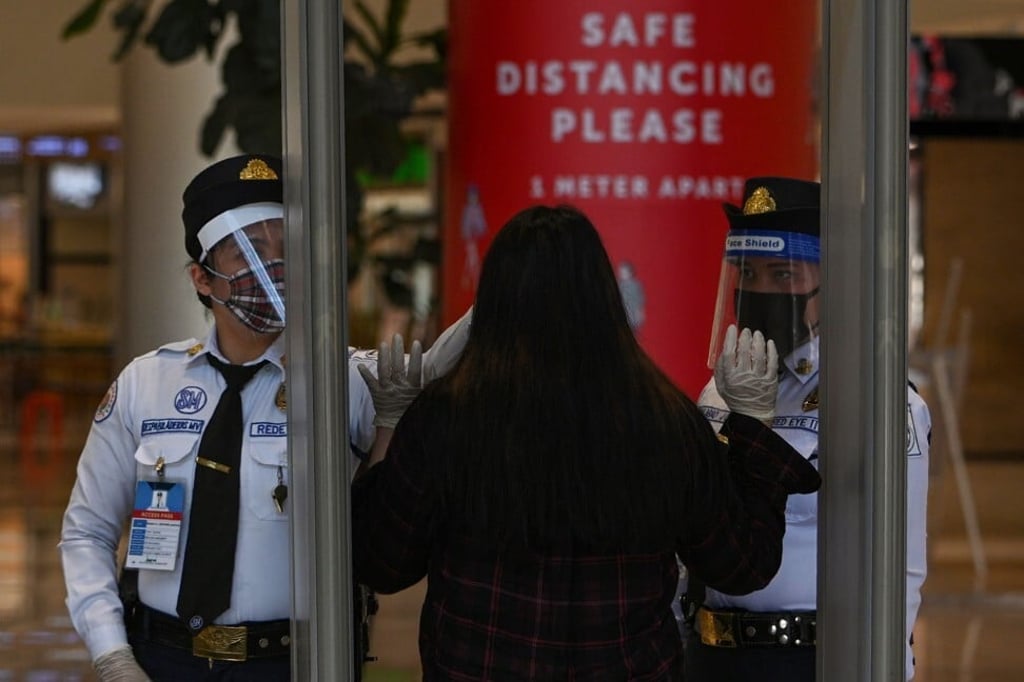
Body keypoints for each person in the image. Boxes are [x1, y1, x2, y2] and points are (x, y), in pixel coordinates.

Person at [351, 204, 821, 680]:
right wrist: (753, 427)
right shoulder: (665, 420)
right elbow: (740, 565)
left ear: (493, 300)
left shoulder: (446, 419)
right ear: (605, 295)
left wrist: (391, 421)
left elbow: (383, 563)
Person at [59, 153, 467, 682]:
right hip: (163, 659)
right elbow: (88, 531)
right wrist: (112, 653)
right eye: (246, 250)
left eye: (282, 245)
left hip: (293, 663)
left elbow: (436, 376)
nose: (271, 265)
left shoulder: (345, 381)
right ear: (202, 280)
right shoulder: (147, 384)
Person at [685, 176, 932, 681]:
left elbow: (901, 566)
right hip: (709, 654)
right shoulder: (718, 391)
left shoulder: (873, 400)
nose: (759, 291)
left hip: (811, 658)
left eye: (783, 275)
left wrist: (889, 669)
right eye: (748, 273)